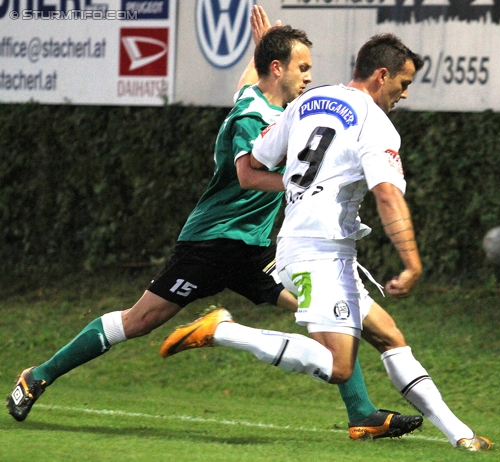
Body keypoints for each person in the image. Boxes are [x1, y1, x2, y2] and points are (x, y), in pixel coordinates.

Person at [6, 9, 422, 441]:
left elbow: (249, 81)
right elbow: (246, 175)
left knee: (323, 309)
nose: (309, 77)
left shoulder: (266, 100)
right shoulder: (252, 117)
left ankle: (361, 413)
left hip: (258, 250)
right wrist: (306, 184)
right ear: (277, 69)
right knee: (140, 320)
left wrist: (264, 45)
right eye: (302, 68)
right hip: (211, 243)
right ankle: (36, 376)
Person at [160, 33, 492, 451]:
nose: (404, 94)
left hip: (316, 244)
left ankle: (460, 435)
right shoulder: (376, 123)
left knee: (389, 337)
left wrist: (303, 184)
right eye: (403, 84)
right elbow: (387, 195)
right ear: (381, 75)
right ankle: (224, 331)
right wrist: (411, 263)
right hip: (316, 252)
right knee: (338, 365)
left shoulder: (306, 103)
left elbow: (256, 158)